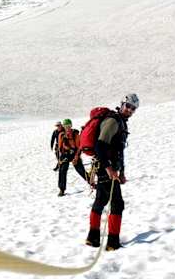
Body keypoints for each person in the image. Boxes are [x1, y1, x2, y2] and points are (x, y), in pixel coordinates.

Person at [85, 93, 139, 251]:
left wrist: (121, 172)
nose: (129, 110)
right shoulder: (113, 121)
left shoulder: (120, 122)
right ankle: (112, 243)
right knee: (117, 204)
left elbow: (119, 151)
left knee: (101, 201)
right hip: (106, 169)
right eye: (128, 106)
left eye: (133, 108)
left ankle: (92, 237)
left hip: (107, 169)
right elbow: (100, 146)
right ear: (122, 104)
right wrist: (109, 169)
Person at [56, 119, 87, 196]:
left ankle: (91, 183)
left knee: (80, 170)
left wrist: (76, 157)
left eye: (69, 126)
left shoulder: (75, 134)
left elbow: (79, 147)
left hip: (74, 153)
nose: (68, 128)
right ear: (63, 126)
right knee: (62, 170)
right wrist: (61, 158)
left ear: (71, 126)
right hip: (65, 155)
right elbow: (60, 148)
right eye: (66, 126)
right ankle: (61, 189)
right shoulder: (61, 135)